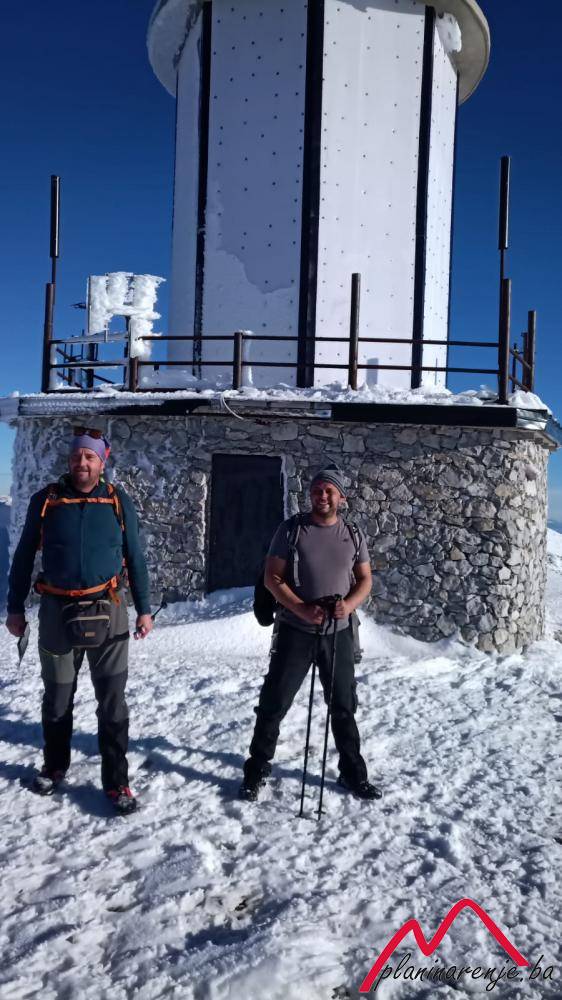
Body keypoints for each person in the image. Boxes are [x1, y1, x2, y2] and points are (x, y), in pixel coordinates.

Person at [5, 428, 153, 814]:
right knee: (57, 699)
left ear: (102, 461)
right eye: (77, 456)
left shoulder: (118, 501)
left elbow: (135, 556)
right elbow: (24, 556)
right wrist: (15, 607)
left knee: (112, 703)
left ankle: (117, 782)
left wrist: (144, 608)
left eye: (90, 457)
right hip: (56, 611)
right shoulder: (47, 501)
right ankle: (54, 766)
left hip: (109, 608)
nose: (81, 463)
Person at [240, 463, 381, 802]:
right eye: (317, 490)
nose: (322, 495)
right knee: (274, 703)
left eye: (329, 490)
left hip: (339, 631)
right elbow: (272, 577)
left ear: (341, 497)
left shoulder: (353, 534)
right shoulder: (291, 530)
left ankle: (353, 774)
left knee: (343, 706)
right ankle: (256, 770)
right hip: (295, 630)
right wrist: (301, 608)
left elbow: (365, 579)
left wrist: (349, 605)